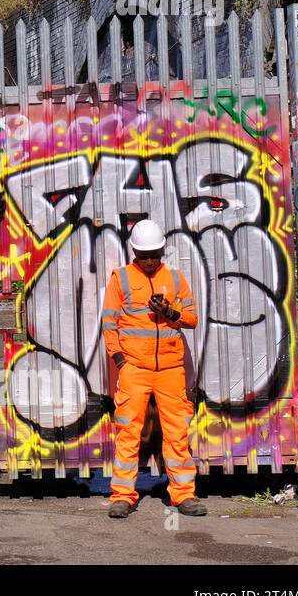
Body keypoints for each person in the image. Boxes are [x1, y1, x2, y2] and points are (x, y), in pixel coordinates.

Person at [102, 219, 207, 518]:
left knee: (176, 433)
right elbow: (109, 322)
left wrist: (168, 312)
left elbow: (191, 319)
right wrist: (119, 360)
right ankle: (122, 496)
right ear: (134, 251)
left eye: (154, 255)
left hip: (171, 369)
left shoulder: (175, 278)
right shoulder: (120, 279)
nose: (149, 261)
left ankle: (184, 495)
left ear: (162, 250)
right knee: (128, 431)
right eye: (143, 255)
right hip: (134, 368)